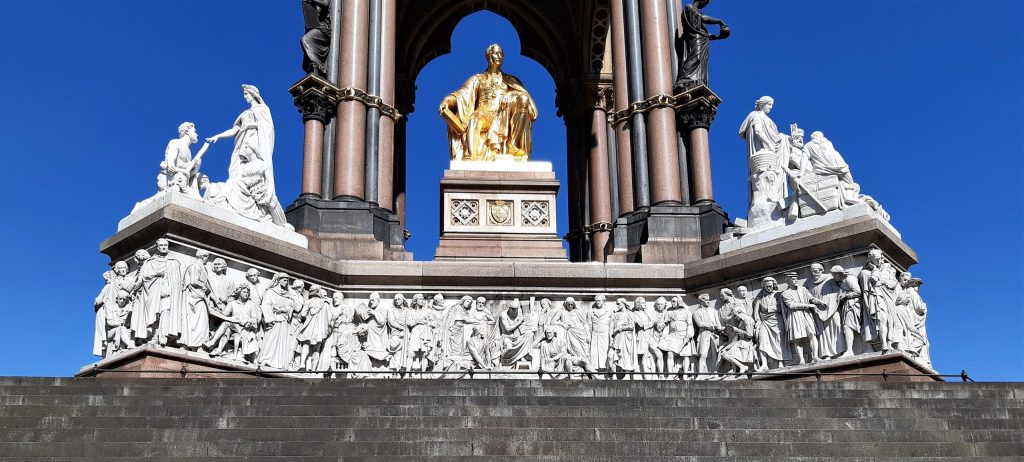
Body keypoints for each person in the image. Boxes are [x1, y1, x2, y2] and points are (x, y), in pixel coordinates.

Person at [206, 84, 288, 228]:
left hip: (255, 140)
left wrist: (253, 130)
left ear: (253, 94)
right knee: (236, 174)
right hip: (242, 142)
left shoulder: (263, 109)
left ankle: (265, 211)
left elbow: (267, 129)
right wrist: (218, 136)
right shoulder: (244, 114)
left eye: (246, 94)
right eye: (244, 94)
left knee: (252, 173)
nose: (245, 97)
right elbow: (235, 129)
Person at [439, 44, 538, 161]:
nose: (499, 56)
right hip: (484, 113)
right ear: (488, 55)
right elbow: (461, 94)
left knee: (523, 99)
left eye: (501, 54)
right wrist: (447, 101)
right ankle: (471, 157)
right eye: (496, 53)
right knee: (474, 121)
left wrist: (510, 94)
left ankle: (513, 145)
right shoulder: (478, 78)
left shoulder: (511, 80)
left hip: (503, 113)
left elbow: (525, 98)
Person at [738, 97, 797, 229]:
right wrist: (767, 143)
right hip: (762, 155)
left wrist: (789, 139)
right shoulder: (755, 115)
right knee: (764, 179)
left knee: (773, 178)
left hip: (771, 155)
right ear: (762, 104)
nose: (770, 107)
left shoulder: (769, 120)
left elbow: (777, 138)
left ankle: (777, 202)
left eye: (772, 105)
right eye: (769, 104)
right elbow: (758, 131)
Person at [132, 239, 184, 347]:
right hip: (153, 293)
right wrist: (157, 274)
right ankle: (154, 336)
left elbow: (179, 281)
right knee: (154, 315)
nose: (164, 247)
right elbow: (144, 277)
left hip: (168, 294)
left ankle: (163, 336)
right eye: (161, 245)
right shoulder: (150, 262)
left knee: (166, 312)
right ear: (157, 247)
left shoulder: (174, 262)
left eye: (166, 245)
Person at [675, 0, 730, 91]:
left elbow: (706, 34)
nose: (704, 5)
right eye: (705, 3)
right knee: (696, 57)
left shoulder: (696, 12)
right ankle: (684, 79)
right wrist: (719, 21)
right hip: (695, 38)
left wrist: (719, 36)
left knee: (700, 61)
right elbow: (704, 19)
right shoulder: (689, 7)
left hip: (701, 39)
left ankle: (697, 80)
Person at [256, 273, 297, 369]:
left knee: (282, 341)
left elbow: (291, 307)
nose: (286, 282)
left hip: (284, 321)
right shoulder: (271, 292)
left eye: (287, 281)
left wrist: (283, 309)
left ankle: (279, 363)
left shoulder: (288, 295)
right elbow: (266, 305)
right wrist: (269, 319)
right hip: (273, 319)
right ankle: (266, 359)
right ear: (278, 280)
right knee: (270, 339)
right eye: (284, 280)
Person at [781, 271, 822, 364]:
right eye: (793, 279)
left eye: (796, 278)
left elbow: (812, 299)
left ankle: (815, 356)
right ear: (788, 281)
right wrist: (809, 306)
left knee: (812, 334)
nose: (796, 280)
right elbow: (791, 305)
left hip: (806, 315)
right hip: (795, 316)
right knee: (797, 339)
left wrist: (820, 302)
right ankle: (801, 360)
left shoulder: (803, 289)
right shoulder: (785, 293)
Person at [806, 263, 845, 359]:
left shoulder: (829, 279)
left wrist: (830, 302)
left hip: (832, 307)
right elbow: (808, 296)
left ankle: (840, 351)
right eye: (812, 272)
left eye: (815, 271)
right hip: (819, 310)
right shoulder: (809, 283)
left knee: (837, 325)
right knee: (824, 332)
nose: (814, 273)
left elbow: (838, 291)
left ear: (821, 270)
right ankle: (827, 354)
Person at [180, 250, 213, 350]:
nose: (208, 259)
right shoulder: (195, 266)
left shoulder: (203, 268)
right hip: (195, 297)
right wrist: (205, 287)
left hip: (199, 296)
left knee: (200, 321)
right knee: (198, 321)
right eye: (207, 256)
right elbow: (194, 281)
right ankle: (193, 345)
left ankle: (196, 345)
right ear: (202, 256)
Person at [752, 277, 787, 371]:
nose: (769, 288)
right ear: (764, 287)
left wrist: (770, 309)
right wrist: (757, 322)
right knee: (762, 340)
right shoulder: (759, 298)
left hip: (777, 321)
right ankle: (764, 364)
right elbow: (756, 312)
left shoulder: (779, 295)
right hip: (764, 322)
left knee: (779, 341)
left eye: (770, 286)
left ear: (774, 286)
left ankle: (780, 362)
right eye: (766, 286)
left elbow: (783, 309)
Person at [658, 296, 695, 378]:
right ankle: (670, 375)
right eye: (671, 301)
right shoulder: (669, 312)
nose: (672, 303)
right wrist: (664, 336)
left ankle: (685, 375)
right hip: (672, 336)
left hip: (684, 336)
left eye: (674, 301)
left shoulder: (686, 312)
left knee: (685, 355)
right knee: (670, 354)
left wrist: (688, 335)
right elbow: (665, 326)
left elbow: (690, 325)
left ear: (679, 301)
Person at [296, 285, 331, 370]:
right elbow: (329, 319)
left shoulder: (308, 302)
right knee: (316, 349)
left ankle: (302, 365)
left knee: (306, 345)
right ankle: (313, 369)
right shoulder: (325, 304)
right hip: (320, 330)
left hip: (310, 328)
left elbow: (303, 314)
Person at [691, 294, 723, 379]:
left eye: (708, 299)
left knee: (715, 353)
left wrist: (718, 327)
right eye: (705, 300)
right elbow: (700, 324)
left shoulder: (713, 311)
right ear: (700, 301)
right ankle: (700, 374)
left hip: (714, 334)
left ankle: (714, 373)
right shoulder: (696, 313)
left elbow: (718, 324)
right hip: (704, 334)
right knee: (703, 354)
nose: (708, 301)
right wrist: (711, 325)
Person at [300, 0, 331, 76]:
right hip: (315, 27)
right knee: (306, 43)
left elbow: (326, 3)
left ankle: (318, 66)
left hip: (324, 28)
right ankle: (314, 67)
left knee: (306, 40)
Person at [609, 298, 637, 376]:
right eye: (617, 304)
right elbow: (611, 327)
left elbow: (631, 326)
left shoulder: (629, 313)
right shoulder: (615, 314)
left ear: (624, 303)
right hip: (617, 337)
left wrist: (620, 329)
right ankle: (613, 373)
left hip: (626, 338)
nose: (617, 305)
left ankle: (623, 373)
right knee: (612, 355)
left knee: (624, 356)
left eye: (619, 304)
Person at [499, 300, 531, 366]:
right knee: (509, 347)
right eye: (513, 309)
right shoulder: (503, 314)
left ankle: (523, 355)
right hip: (506, 337)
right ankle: (503, 361)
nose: (515, 311)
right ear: (509, 308)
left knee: (529, 335)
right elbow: (508, 329)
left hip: (516, 336)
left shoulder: (517, 313)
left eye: (516, 309)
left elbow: (524, 325)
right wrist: (519, 322)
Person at [588, 295, 612, 371]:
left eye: (599, 300)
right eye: (596, 300)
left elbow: (611, 326)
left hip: (605, 335)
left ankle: (606, 370)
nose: (598, 302)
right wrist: (589, 335)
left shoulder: (609, 312)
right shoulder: (591, 311)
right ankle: (594, 370)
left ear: (604, 301)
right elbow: (589, 325)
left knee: (604, 352)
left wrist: (611, 338)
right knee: (594, 353)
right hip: (595, 334)